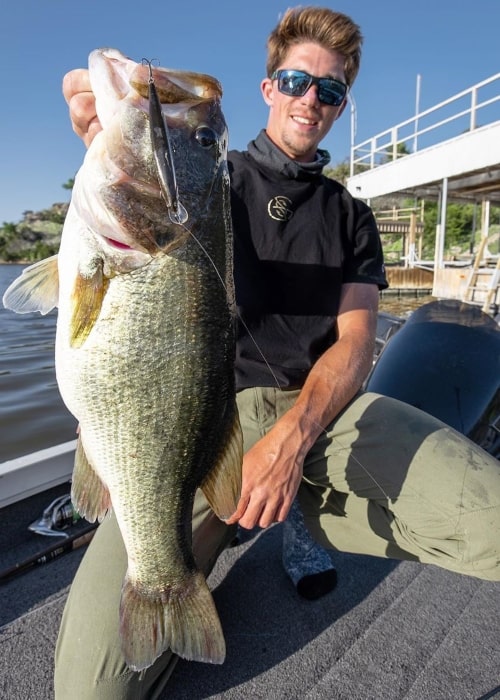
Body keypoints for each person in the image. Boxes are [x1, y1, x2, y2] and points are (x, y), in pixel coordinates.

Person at [55, 7, 500, 699]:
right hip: (195, 424)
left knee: (492, 519)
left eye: (330, 90)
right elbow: (136, 185)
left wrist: (290, 442)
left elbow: (356, 342)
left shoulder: (351, 216)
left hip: (318, 411)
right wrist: (100, 129)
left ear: (342, 105)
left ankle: (296, 515)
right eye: (297, 80)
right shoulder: (210, 177)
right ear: (269, 88)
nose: (311, 100)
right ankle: (216, 541)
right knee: (90, 690)